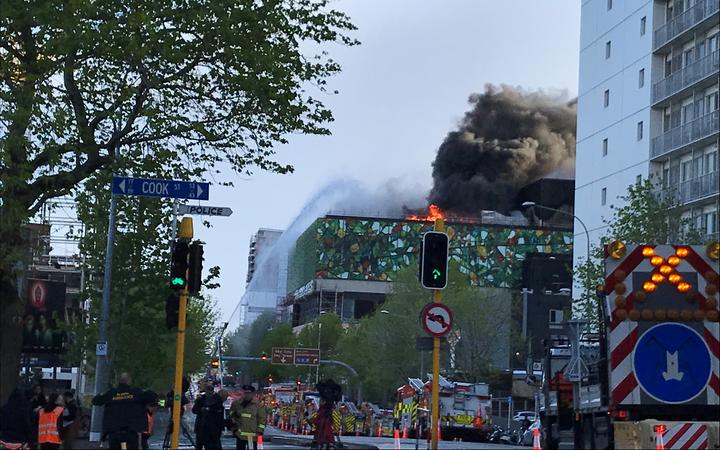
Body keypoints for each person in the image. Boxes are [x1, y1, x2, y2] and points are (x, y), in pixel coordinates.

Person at [92, 372, 157, 450]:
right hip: (131, 432)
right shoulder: (136, 392)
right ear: (129, 381)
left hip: (114, 431)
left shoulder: (111, 393)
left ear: (118, 381)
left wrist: (102, 394)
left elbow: (96, 401)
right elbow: (152, 397)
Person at [229, 385, 266, 450]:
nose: (246, 395)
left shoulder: (258, 405)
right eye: (245, 393)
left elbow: (262, 419)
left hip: (252, 436)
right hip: (239, 435)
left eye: (248, 393)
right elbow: (231, 416)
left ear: (252, 394)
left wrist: (260, 432)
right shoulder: (236, 403)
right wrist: (234, 429)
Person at [192, 385, 228, 450]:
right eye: (208, 392)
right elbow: (194, 410)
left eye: (210, 392)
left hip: (212, 430)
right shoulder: (201, 399)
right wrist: (201, 410)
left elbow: (219, 417)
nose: (209, 394)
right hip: (202, 428)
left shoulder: (217, 401)